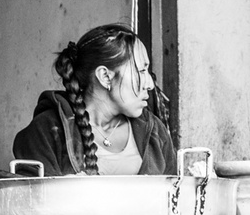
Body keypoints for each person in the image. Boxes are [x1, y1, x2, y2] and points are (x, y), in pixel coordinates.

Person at [13, 22, 177, 175]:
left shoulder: (155, 131)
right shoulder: (47, 132)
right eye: (141, 71)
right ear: (105, 76)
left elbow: (176, 199)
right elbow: (34, 202)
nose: (149, 84)